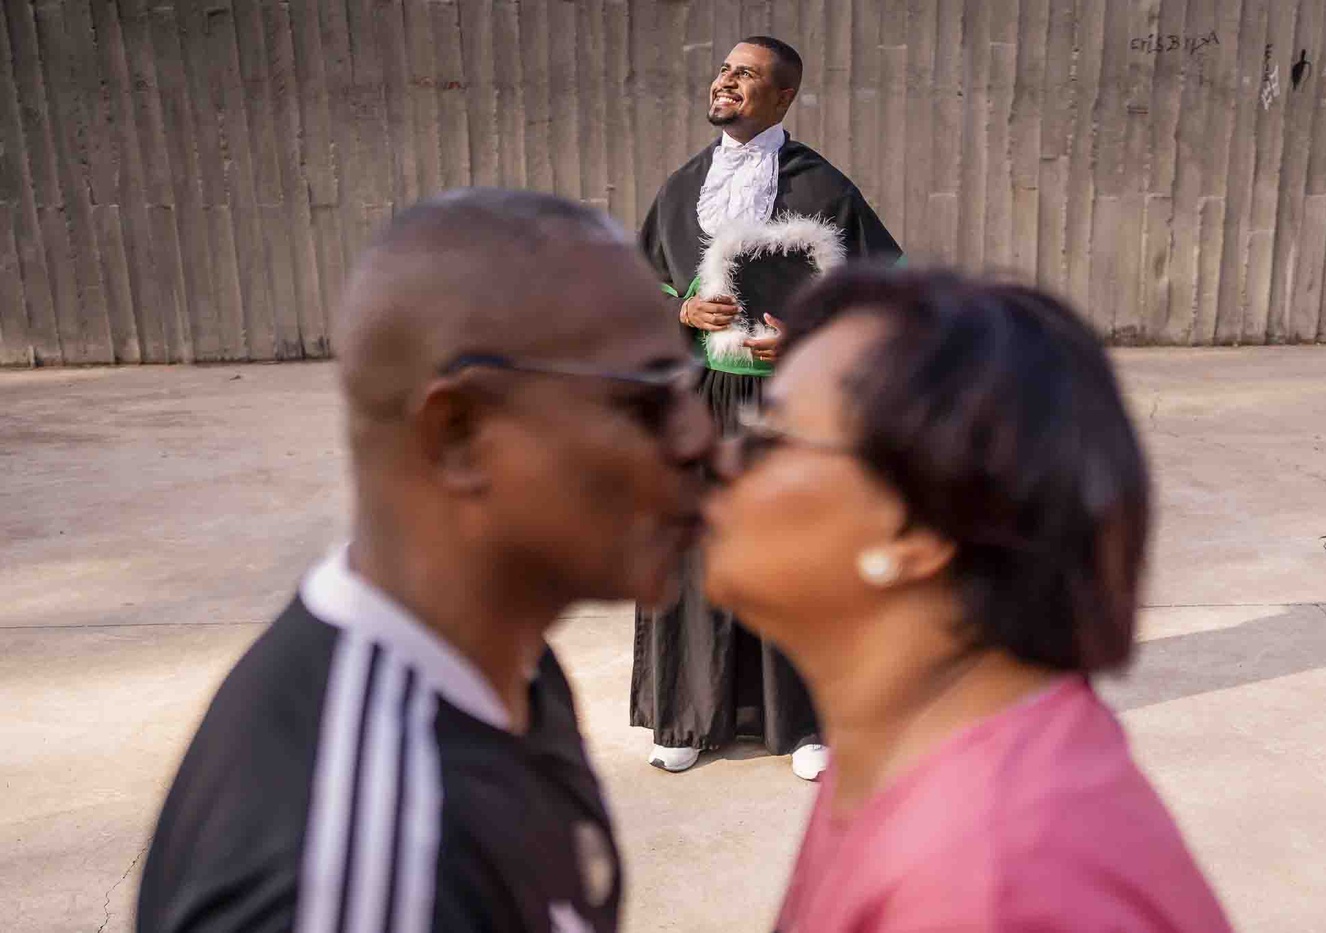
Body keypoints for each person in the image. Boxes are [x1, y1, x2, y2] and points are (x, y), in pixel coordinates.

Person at [136, 189, 714, 933]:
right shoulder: (368, 873)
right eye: (646, 400)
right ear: (457, 434)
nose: (699, 437)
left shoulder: (508, 665)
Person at [703, 267, 1235, 932]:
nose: (717, 459)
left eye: (768, 437)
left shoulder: (994, 886)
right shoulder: (901, 743)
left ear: (917, 528)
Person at [631, 35, 902, 780]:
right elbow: (640, 283)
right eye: (725, 69)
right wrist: (683, 313)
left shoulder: (825, 187)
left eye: (745, 74)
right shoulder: (683, 186)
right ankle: (687, 716)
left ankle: (805, 722)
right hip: (702, 397)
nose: (726, 81)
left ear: (783, 97)